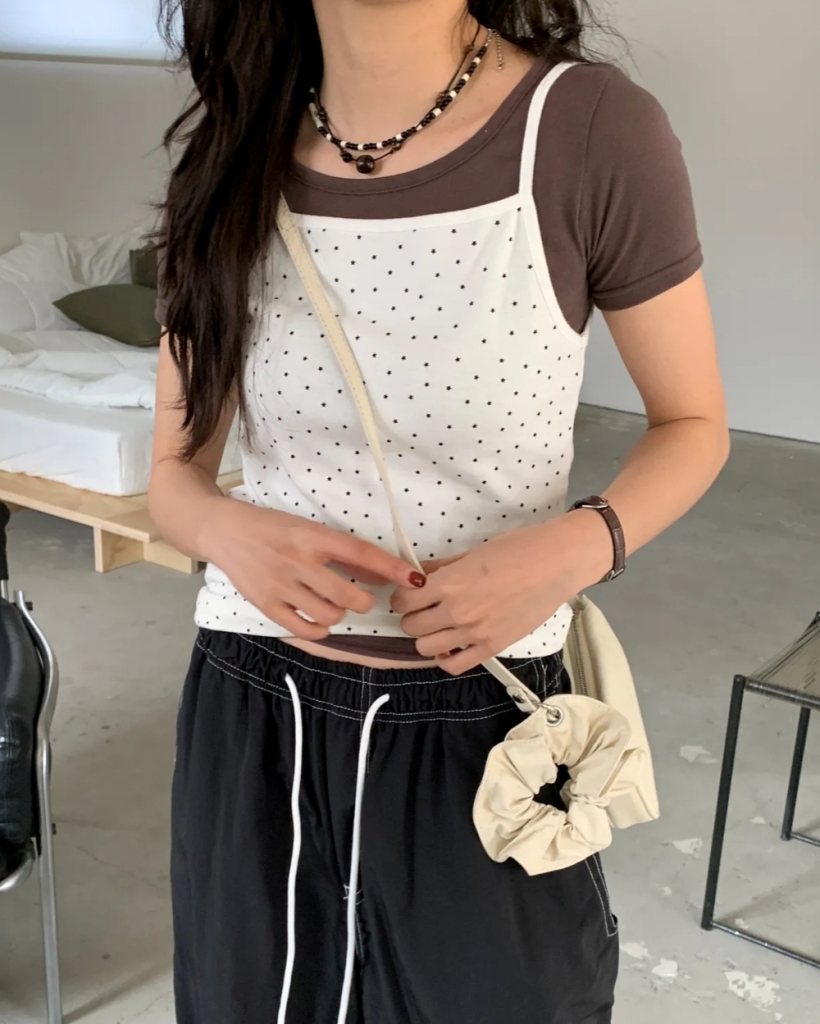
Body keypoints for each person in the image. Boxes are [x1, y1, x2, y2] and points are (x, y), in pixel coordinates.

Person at [148, 2, 730, 1022]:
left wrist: (571, 549)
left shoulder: (587, 129)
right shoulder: (230, 150)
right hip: (253, 715)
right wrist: (224, 529)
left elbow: (694, 424)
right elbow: (174, 472)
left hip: (485, 719)